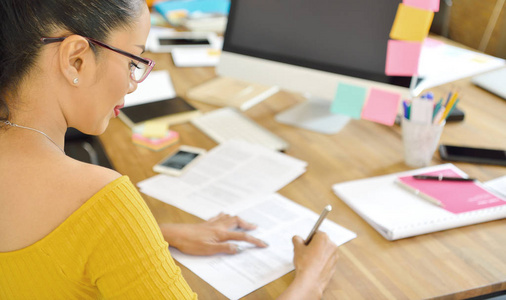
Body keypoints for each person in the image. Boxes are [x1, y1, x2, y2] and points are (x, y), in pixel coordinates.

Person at [0, 1, 339, 299]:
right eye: (134, 61)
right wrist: (309, 283)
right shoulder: (101, 202)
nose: (134, 83)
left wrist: (149, 238)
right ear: (76, 60)